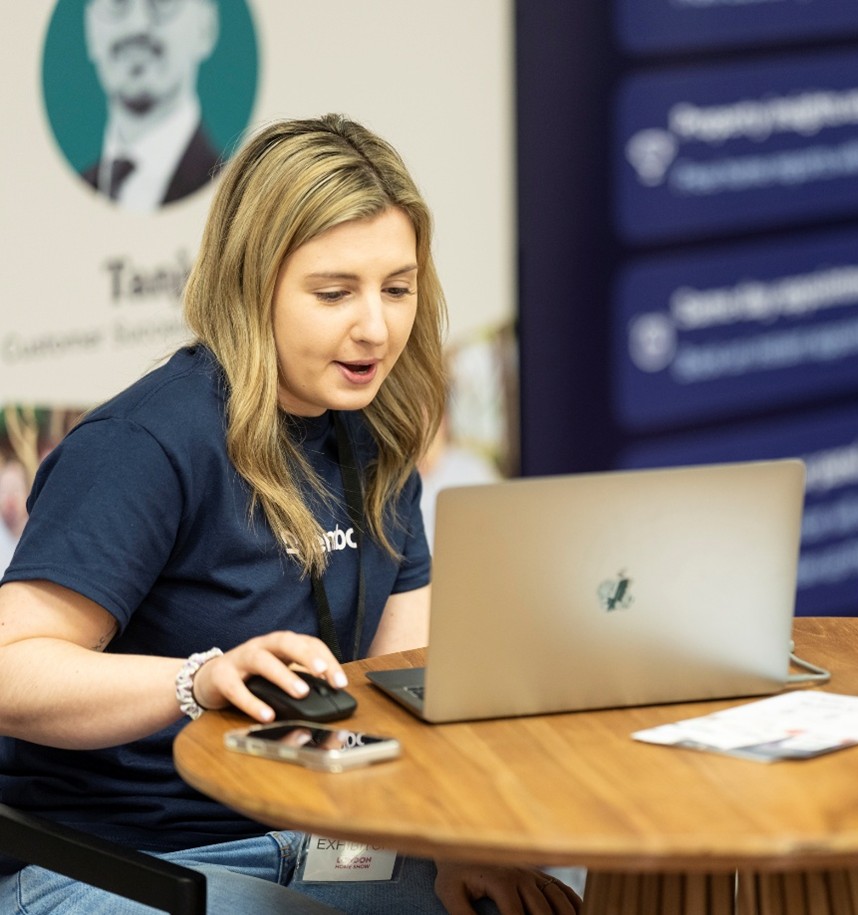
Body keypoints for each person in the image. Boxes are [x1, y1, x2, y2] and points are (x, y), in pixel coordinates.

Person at [0, 114, 581, 915]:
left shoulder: (376, 439)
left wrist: (454, 844)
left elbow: (397, 687)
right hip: (112, 861)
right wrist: (196, 679)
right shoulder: (144, 444)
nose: (375, 327)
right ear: (251, 286)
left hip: (320, 837)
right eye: (334, 293)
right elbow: (11, 667)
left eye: (398, 288)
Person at [81, 0, 224, 210]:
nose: (136, 24)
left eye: (163, 3)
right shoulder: (65, 195)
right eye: (117, 2)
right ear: (90, 28)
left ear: (205, 28)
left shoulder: (234, 195)